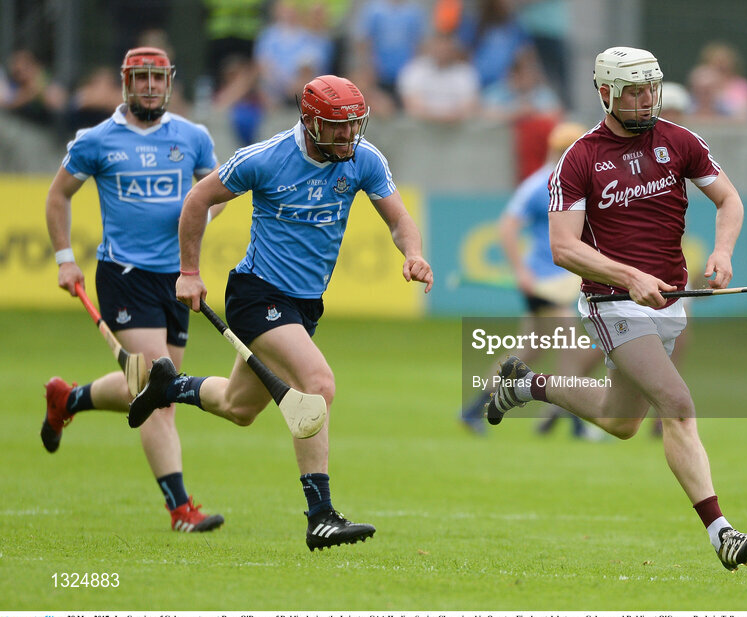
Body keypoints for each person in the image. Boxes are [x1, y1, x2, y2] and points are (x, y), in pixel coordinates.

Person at [484, 47, 747, 571]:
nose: (645, 99)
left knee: (621, 421)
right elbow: (563, 247)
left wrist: (722, 250)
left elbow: (729, 200)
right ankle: (722, 534)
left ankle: (525, 385)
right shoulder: (579, 158)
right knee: (677, 404)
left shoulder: (680, 141)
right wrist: (629, 276)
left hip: (668, 300)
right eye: (633, 91)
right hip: (611, 302)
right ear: (606, 94)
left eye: (650, 88)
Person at [127, 75, 434, 551]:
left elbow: (398, 219)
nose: (348, 136)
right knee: (318, 383)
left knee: (238, 406)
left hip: (304, 305)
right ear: (310, 123)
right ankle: (321, 516)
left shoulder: (363, 159)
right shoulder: (265, 159)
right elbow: (197, 200)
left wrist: (412, 253)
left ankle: (169, 386)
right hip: (256, 295)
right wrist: (188, 271)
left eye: (354, 126)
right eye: (337, 128)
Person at [42, 47, 224, 533]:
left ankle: (69, 400)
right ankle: (181, 509)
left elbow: (215, 194)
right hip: (124, 275)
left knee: (141, 389)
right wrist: (65, 260)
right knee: (159, 394)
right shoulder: (97, 140)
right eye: (140, 77)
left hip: (178, 277)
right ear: (126, 83)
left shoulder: (193, 137)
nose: (149, 86)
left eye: (157, 77)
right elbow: (59, 195)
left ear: (170, 82)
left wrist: (196, 217)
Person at [459, 121, 603, 438]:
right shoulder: (542, 184)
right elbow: (508, 226)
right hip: (541, 281)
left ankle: (474, 408)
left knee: (529, 350)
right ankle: (576, 422)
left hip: (558, 281)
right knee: (570, 343)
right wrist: (522, 272)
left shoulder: (571, 182)